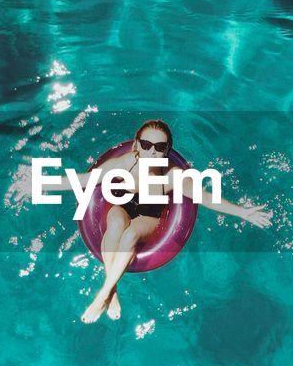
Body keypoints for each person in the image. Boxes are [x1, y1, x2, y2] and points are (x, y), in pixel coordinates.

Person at [49, 119, 273, 324]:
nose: (152, 151)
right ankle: (111, 292)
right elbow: (82, 180)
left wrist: (243, 212)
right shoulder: (122, 164)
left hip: (150, 214)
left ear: (167, 150)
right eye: (146, 144)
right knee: (116, 224)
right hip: (122, 205)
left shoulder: (173, 176)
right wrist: (41, 184)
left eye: (159, 146)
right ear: (137, 145)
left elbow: (206, 198)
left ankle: (102, 295)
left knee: (130, 235)